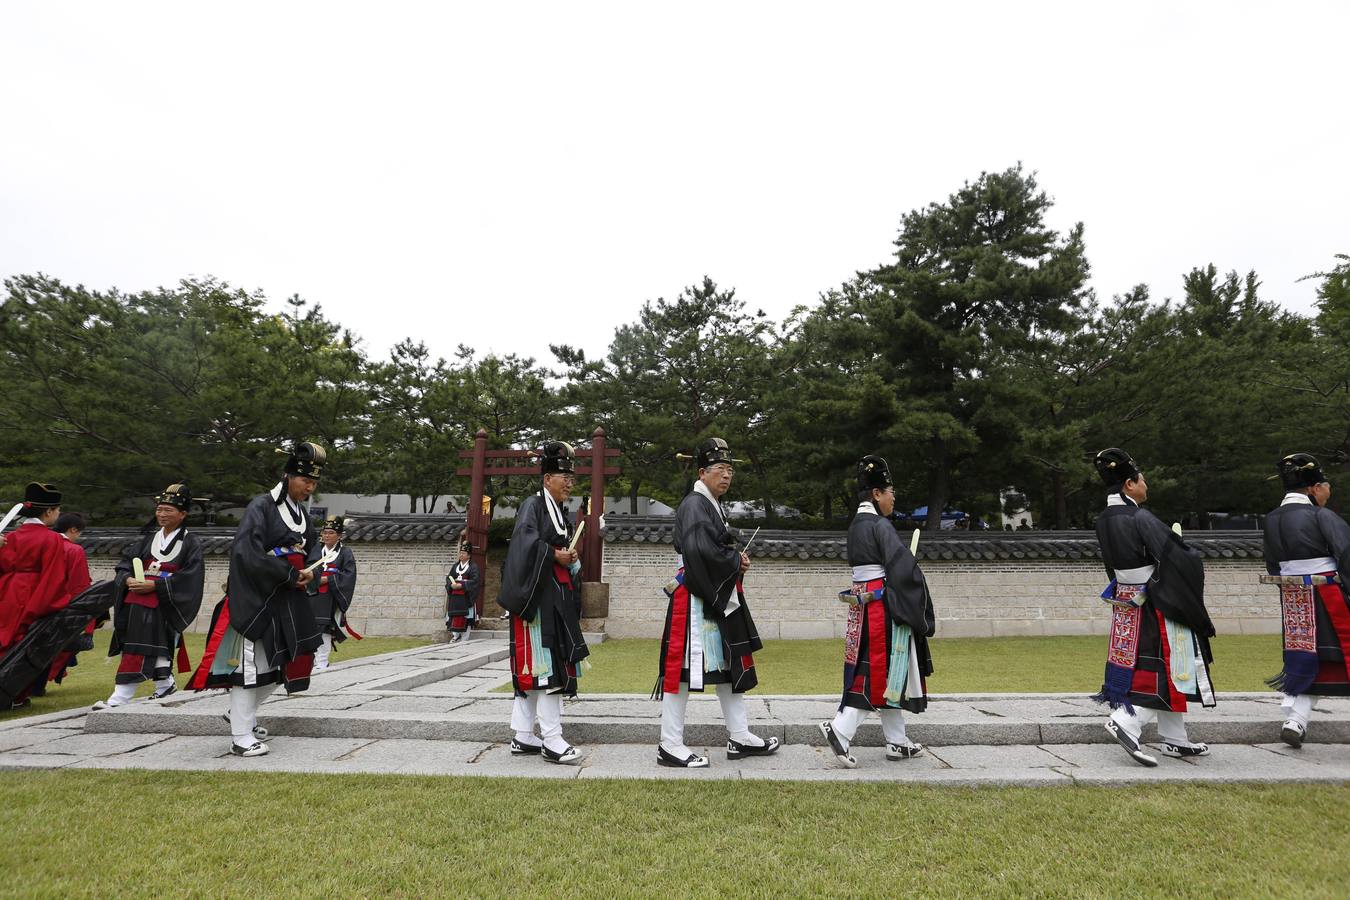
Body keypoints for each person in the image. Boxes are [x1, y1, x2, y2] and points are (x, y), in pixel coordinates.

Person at [189, 442, 325, 757]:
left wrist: (308, 571)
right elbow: (246, 550)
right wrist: (289, 573)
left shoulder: (301, 514)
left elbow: (314, 545)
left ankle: (240, 715)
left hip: (289, 595)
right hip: (260, 595)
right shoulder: (261, 506)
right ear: (290, 475)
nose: (310, 488)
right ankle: (240, 735)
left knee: (288, 659)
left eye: (314, 483)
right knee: (250, 665)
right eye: (307, 481)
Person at [653, 437, 778, 768]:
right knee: (681, 671)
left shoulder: (710, 504)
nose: (727, 475)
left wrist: (734, 558)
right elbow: (699, 552)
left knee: (728, 664)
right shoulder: (695, 505)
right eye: (720, 469)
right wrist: (734, 560)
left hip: (708, 594)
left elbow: (713, 549)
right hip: (693, 600)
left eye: (730, 470)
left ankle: (739, 736)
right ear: (702, 472)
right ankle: (669, 744)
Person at [1092, 448, 1216, 766]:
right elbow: (1177, 559)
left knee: (1146, 662)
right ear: (1129, 484)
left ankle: (1175, 739)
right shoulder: (1140, 517)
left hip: (1127, 601)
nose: (1146, 485)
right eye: (1142, 480)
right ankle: (1127, 721)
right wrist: (1181, 547)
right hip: (1156, 601)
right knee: (1167, 664)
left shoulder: (1104, 519)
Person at [819, 455, 933, 767]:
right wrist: (913, 574)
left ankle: (897, 742)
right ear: (876, 494)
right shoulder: (880, 525)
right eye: (890, 491)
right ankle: (840, 730)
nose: (893, 497)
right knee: (878, 672)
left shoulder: (856, 525)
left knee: (885, 670)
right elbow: (900, 568)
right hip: (881, 610)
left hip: (861, 606)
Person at [495, 441, 589, 765]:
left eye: (572, 477)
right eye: (564, 476)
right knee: (547, 667)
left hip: (554, 596)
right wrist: (554, 554)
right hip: (537, 599)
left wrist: (570, 557)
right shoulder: (532, 506)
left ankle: (522, 735)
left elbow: (554, 549)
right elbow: (524, 544)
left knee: (539, 667)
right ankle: (552, 739)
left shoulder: (559, 511)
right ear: (547, 477)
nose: (569, 482)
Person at [1261, 453, 1350, 747]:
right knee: (1337, 656)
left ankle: (1295, 719)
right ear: (1313, 488)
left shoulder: (1272, 520)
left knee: (1309, 660)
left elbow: (1272, 563)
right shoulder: (1320, 515)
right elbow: (1346, 555)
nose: (1328, 491)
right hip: (1329, 597)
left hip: (1295, 600)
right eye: (1326, 486)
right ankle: (1295, 719)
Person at [94, 485, 205, 709]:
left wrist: (157, 586)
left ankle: (120, 698)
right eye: (159, 509)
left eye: (168, 511)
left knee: (142, 646)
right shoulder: (146, 541)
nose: (162, 515)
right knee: (147, 645)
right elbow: (124, 565)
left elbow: (191, 577)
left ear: (182, 514)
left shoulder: (191, 543)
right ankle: (165, 686)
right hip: (137, 602)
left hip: (164, 603)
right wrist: (127, 580)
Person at [0, 484, 75, 708]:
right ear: (48, 512)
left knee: (5, 638)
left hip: (6, 591)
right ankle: (13, 694)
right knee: (23, 643)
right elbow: (53, 577)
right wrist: (47, 607)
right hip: (31, 592)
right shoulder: (51, 539)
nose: (58, 514)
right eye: (57, 510)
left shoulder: (11, 537)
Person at [308, 516, 359, 672]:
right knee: (311, 627)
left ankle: (322, 661)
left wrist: (328, 579)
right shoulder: (317, 549)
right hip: (314, 594)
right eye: (325, 532)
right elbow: (308, 567)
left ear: (339, 535)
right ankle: (312, 660)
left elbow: (349, 575)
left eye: (331, 533)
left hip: (332, 595)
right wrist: (316, 578)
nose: (327, 535)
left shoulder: (345, 552)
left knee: (324, 627)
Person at [445, 542, 481, 642]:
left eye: (463, 553)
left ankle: (465, 637)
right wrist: (451, 585)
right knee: (454, 616)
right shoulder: (455, 566)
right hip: (455, 598)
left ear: (469, 555)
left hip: (466, 597)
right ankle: (455, 636)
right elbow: (449, 577)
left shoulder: (473, 567)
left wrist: (462, 585)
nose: (461, 555)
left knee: (466, 618)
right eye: (460, 553)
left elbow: (475, 581)